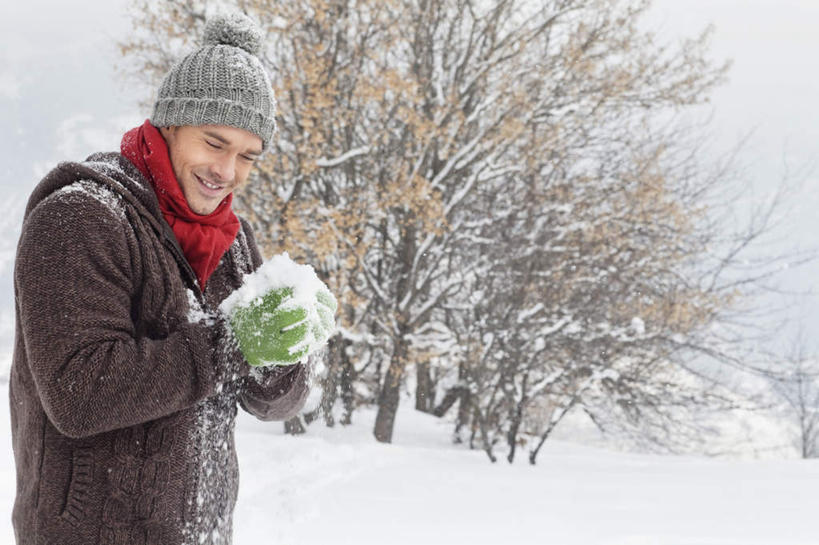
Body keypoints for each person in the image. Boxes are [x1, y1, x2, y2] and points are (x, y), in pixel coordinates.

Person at [9, 12, 323, 545]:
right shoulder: (81, 217)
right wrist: (232, 343)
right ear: (171, 124)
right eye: (214, 142)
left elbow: (268, 402)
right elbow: (78, 395)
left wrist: (291, 346)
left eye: (248, 156)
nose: (227, 171)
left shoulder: (232, 241)